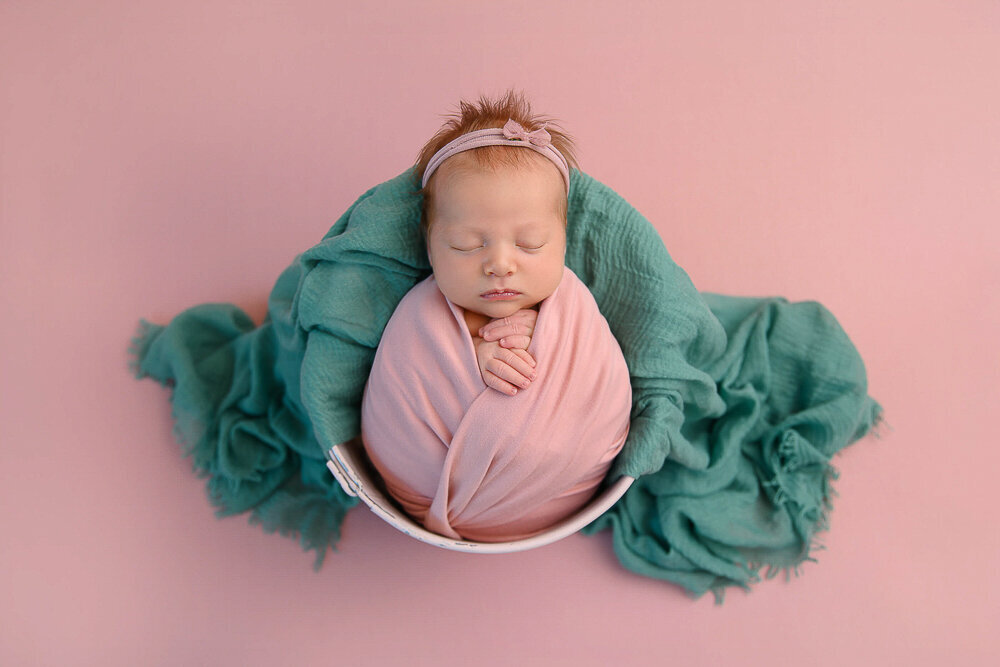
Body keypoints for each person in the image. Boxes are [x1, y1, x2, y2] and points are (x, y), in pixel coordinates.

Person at [360, 91, 632, 541]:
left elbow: (597, 373)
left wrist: (545, 332)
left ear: (564, 240)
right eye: (467, 244)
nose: (500, 264)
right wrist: (472, 357)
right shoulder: (420, 314)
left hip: (565, 490)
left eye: (529, 244)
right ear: (429, 245)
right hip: (425, 490)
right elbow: (407, 369)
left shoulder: (572, 306)